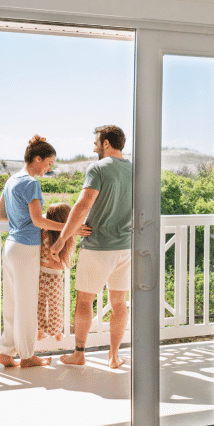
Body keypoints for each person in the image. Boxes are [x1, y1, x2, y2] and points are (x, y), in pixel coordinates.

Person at [0, 136, 85, 368]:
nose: (49, 167)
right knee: (26, 305)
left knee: (13, 302)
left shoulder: (12, 180)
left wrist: (20, 221)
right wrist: (70, 227)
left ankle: (5, 352)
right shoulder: (31, 183)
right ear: (37, 158)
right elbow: (37, 221)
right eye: (49, 162)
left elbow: (0, 215)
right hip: (26, 249)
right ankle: (27, 356)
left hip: (11, 246)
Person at [52, 125, 132, 369]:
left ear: (107, 143)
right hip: (126, 247)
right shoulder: (133, 169)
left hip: (98, 246)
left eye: (97, 142)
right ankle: (114, 356)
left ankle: (79, 353)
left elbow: (83, 205)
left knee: (85, 302)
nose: (94, 146)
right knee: (119, 303)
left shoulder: (97, 168)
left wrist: (62, 238)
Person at [38, 203, 74, 342]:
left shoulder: (42, 232)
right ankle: (56, 332)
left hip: (40, 275)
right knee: (55, 306)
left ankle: (39, 331)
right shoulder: (62, 238)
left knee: (40, 305)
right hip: (54, 277)